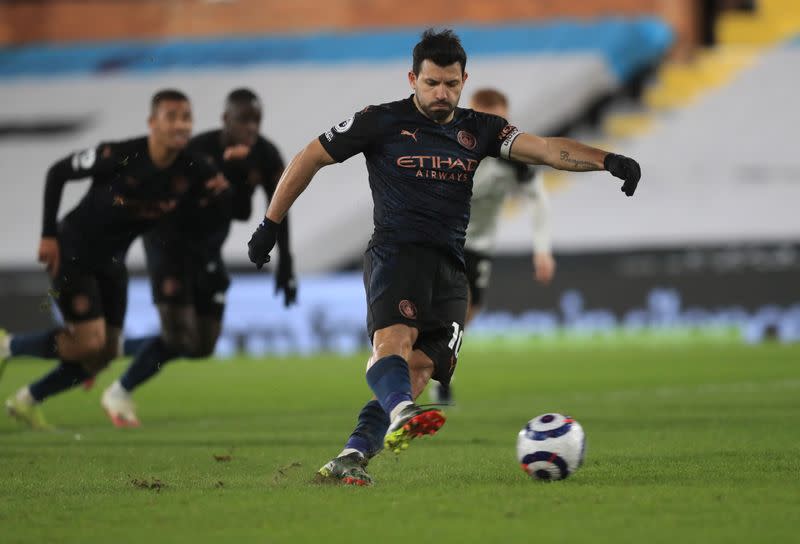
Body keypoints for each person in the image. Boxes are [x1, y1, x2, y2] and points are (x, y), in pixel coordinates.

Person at [247, 29, 641, 486]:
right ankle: (401, 412)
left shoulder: (480, 129)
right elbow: (309, 156)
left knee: (418, 370)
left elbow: (548, 149)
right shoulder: (380, 121)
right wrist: (270, 223)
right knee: (391, 345)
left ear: (464, 79)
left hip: (452, 268)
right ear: (412, 78)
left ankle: (352, 455)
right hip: (396, 253)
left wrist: (607, 159)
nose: (442, 93)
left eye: (451, 84)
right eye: (432, 83)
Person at [1, 89, 224, 429]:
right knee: (89, 343)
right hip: (74, 248)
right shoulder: (120, 156)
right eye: (172, 117)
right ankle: (8, 345)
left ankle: (26, 400)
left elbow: (228, 203)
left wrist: (233, 181)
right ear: (152, 123)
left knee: (104, 353)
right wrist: (47, 234)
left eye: (187, 117)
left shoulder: (193, 169)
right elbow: (58, 171)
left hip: (113, 262)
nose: (182, 125)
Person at [99, 88, 296, 427]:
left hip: (207, 251)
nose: (251, 128)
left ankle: (108, 350)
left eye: (256, 120)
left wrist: (286, 261)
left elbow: (274, 204)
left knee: (201, 344)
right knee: (177, 336)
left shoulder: (264, 154)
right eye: (243, 120)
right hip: (169, 246)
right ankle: (118, 390)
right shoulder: (198, 152)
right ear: (225, 120)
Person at [431, 88, 555, 405]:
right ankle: (436, 373)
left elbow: (537, 198)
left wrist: (542, 249)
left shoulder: (515, 158)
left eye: (499, 118)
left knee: (468, 312)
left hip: (480, 244)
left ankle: (441, 366)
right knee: (454, 306)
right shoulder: (446, 145)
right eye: (486, 117)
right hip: (442, 237)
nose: (492, 124)